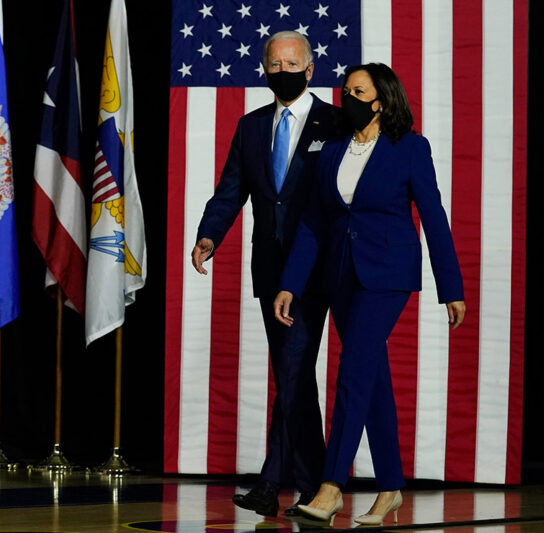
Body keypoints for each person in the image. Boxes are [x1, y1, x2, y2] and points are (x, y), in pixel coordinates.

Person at [273, 63, 466, 526]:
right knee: (371, 378)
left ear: (381, 100)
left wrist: (451, 287)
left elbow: (434, 218)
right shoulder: (334, 147)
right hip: (341, 276)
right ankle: (390, 489)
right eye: (345, 90)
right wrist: (290, 283)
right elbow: (315, 222)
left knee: (352, 371)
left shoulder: (410, 148)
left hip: (388, 275)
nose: (348, 98)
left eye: (358, 91)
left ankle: (331, 484)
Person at [191, 31, 336, 517]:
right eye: (275, 64)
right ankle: (316, 484)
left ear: (311, 69)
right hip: (269, 271)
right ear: (264, 69)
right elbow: (231, 190)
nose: (283, 71)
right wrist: (210, 235)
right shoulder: (251, 126)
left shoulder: (333, 123)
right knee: (293, 376)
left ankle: (271, 483)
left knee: (294, 370)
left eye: (292, 63)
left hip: (315, 271)